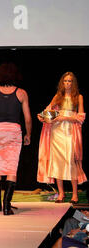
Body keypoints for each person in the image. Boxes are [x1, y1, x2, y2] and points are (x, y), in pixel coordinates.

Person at [0, 62, 32, 215]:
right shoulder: (21, 93)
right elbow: (28, 118)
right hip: (14, 131)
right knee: (11, 166)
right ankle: (6, 206)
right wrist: (28, 134)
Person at [37, 72, 86, 204]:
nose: (67, 83)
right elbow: (47, 111)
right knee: (57, 162)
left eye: (70, 81)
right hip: (57, 131)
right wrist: (42, 116)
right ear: (62, 83)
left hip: (70, 132)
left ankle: (75, 194)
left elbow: (81, 117)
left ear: (73, 83)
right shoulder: (57, 97)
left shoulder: (78, 97)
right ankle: (61, 193)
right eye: (65, 81)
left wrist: (65, 117)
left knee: (71, 161)